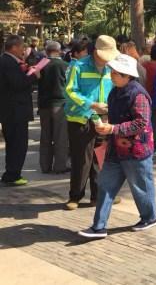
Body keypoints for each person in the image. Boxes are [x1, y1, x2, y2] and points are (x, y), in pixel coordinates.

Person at [78, 54, 156, 238]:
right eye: (112, 72)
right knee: (105, 185)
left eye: (115, 73)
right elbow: (118, 113)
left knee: (141, 187)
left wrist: (113, 128)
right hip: (116, 148)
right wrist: (105, 115)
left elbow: (141, 123)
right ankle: (98, 226)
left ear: (127, 75)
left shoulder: (138, 94)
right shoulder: (115, 92)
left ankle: (150, 217)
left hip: (136, 150)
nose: (111, 75)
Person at [63, 35, 120, 210]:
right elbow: (69, 91)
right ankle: (75, 196)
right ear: (95, 51)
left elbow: (115, 90)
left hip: (103, 120)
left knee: (100, 160)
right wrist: (92, 105)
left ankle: (98, 195)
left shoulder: (111, 68)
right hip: (81, 119)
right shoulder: (78, 66)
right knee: (81, 160)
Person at [0, 35, 40, 185]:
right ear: (14, 47)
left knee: (13, 143)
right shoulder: (8, 62)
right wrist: (34, 76)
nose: (24, 50)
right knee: (18, 144)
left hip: (11, 110)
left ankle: (11, 173)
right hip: (15, 110)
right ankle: (13, 175)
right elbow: (18, 84)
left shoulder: (7, 61)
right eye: (22, 47)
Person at [38, 41, 70, 174]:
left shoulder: (41, 64)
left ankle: (45, 166)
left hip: (44, 104)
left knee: (45, 136)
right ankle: (60, 166)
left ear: (46, 51)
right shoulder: (65, 65)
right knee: (60, 136)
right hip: (60, 104)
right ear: (59, 51)